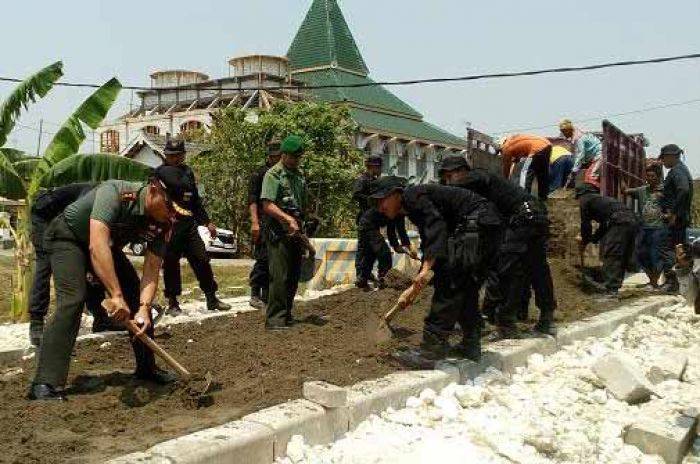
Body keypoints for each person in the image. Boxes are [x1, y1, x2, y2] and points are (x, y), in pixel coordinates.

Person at [28, 171, 188, 400]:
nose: (172, 215)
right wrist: (115, 294)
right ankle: (44, 383)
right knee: (73, 298)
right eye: (169, 207)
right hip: (68, 237)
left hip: (105, 247)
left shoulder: (165, 223)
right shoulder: (115, 193)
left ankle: (147, 369)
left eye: (176, 212)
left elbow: (152, 269)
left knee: (135, 295)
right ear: (154, 190)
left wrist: (143, 307)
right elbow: (97, 244)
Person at [371, 176, 501, 362]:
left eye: (381, 200)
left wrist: (425, 271)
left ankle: (430, 351)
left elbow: (436, 229)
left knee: (449, 281)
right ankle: (470, 344)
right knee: (464, 284)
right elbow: (433, 242)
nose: (380, 207)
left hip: (477, 225)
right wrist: (420, 277)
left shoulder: (412, 196)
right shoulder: (414, 205)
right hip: (486, 226)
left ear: (396, 194)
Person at [438, 156, 556, 339]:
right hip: (535, 217)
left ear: (462, 170)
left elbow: (471, 184)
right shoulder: (484, 191)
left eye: (449, 176)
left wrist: (442, 191)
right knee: (537, 269)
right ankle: (546, 319)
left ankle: (505, 324)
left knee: (506, 270)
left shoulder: (476, 176)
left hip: (523, 218)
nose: (448, 181)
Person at [28, 183, 119, 347]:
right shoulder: (94, 198)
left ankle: (100, 318)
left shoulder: (110, 204)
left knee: (90, 262)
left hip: (68, 219)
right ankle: (36, 323)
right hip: (44, 215)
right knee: (46, 264)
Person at [157, 140, 231, 315]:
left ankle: (211, 298)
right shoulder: (159, 173)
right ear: (166, 155)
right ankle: (173, 302)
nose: (174, 158)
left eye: (177, 155)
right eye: (170, 155)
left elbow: (195, 200)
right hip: (171, 225)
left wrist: (207, 221)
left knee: (202, 259)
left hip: (189, 224)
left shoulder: (187, 171)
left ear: (183, 155)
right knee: (171, 263)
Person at [261, 135, 310, 330]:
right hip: (278, 230)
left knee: (293, 274)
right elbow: (267, 204)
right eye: (294, 157)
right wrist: (286, 218)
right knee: (279, 276)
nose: (296, 161)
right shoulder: (273, 175)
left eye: (299, 158)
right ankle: (275, 319)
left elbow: (301, 202)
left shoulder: (298, 175)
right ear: (284, 155)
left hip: (295, 230)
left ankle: (287, 314)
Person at [353, 155, 415, 289]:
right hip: (367, 223)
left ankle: (364, 280)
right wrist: (396, 246)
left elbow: (396, 229)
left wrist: (405, 246)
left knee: (369, 253)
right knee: (381, 252)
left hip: (371, 223)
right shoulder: (386, 202)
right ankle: (382, 280)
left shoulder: (398, 208)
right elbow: (394, 229)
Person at [576, 183, 638, 300]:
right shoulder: (602, 201)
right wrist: (593, 239)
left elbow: (585, 224)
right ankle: (614, 287)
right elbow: (604, 225)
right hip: (631, 220)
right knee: (621, 255)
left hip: (619, 221)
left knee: (612, 254)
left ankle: (611, 290)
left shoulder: (585, 199)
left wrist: (584, 240)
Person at [248, 139, 282, 309]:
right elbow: (253, 200)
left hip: (278, 223)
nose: (277, 159)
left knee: (274, 260)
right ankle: (254, 293)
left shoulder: (282, 174)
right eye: (274, 156)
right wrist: (255, 222)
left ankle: (267, 295)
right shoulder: (260, 174)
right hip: (263, 221)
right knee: (263, 258)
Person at [623, 163, 665, 290]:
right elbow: (625, 191)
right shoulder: (642, 190)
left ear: (658, 177)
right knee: (640, 254)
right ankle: (651, 280)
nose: (649, 178)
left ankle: (654, 282)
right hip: (644, 228)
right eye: (648, 176)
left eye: (652, 176)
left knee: (655, 255)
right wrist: (622, 176)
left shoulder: (664, 191)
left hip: (658, 228)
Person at [658, 143, 693, 294]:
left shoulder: (677, 171)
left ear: (671, 156)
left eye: (664, 158)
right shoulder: (680, 170)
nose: (663, 162)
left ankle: (672, 283)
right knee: (678, 249)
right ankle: (680, 283)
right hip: (679, 217)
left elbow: (683, 190)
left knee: (668, 248)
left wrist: (673, 213)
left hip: (675, 219)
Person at [499, 134, 552, 201]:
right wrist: (517, 158)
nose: (501, 153)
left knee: (525, 173)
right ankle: (543, 198)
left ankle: (524, 197)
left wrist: (505, 180)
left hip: (536, 148)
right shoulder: (514, 140)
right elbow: (523, 148)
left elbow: (506, 167)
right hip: (547, 145)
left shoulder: (506, 147)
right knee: (542, 174)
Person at [559, 119, 602, 188]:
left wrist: (574, 170)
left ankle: (596, 194)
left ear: (569, 130)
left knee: (590, 177)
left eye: (564, 132)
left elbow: (580, 155)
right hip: (592, 157)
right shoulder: (575, 136)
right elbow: (576, 156)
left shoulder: (578, 138)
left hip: (599, 155)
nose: (563, 134)